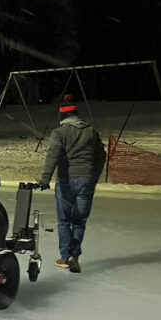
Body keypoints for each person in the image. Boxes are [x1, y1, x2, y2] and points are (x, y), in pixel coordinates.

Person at [39, 95, 106, 273]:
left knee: (63, 221)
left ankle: (64, 257)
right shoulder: (91, 130)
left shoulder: (59, 132)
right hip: (86, 180)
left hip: (66, 180)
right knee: (79, 221)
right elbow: (101, 155)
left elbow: (53, 155)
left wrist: (45, 179)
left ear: (62, 116)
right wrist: (94, 176)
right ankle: (74, 255)